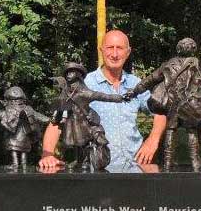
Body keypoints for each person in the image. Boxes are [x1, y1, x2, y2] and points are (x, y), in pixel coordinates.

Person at [40, 30, 166, 171]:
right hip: (98, 173)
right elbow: (57, 121)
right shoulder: (84, 84)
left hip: (134, 169)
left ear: (128, 52)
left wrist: (153, 140)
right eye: (110, 47)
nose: (114, 54)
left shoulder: (136, 84)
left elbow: (160, 111)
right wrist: (47, 154)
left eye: (119, 48)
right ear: (101, 50)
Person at [125, 37, 201, 171]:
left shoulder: (168, 65)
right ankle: (195, 163)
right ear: (193, 49)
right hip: (190, 105)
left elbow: (149, 80)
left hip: (172, 105)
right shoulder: (197, 65)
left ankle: (167, 164)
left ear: (178, 49)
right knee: (192, 131)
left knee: (171, 130)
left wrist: (134, 92)